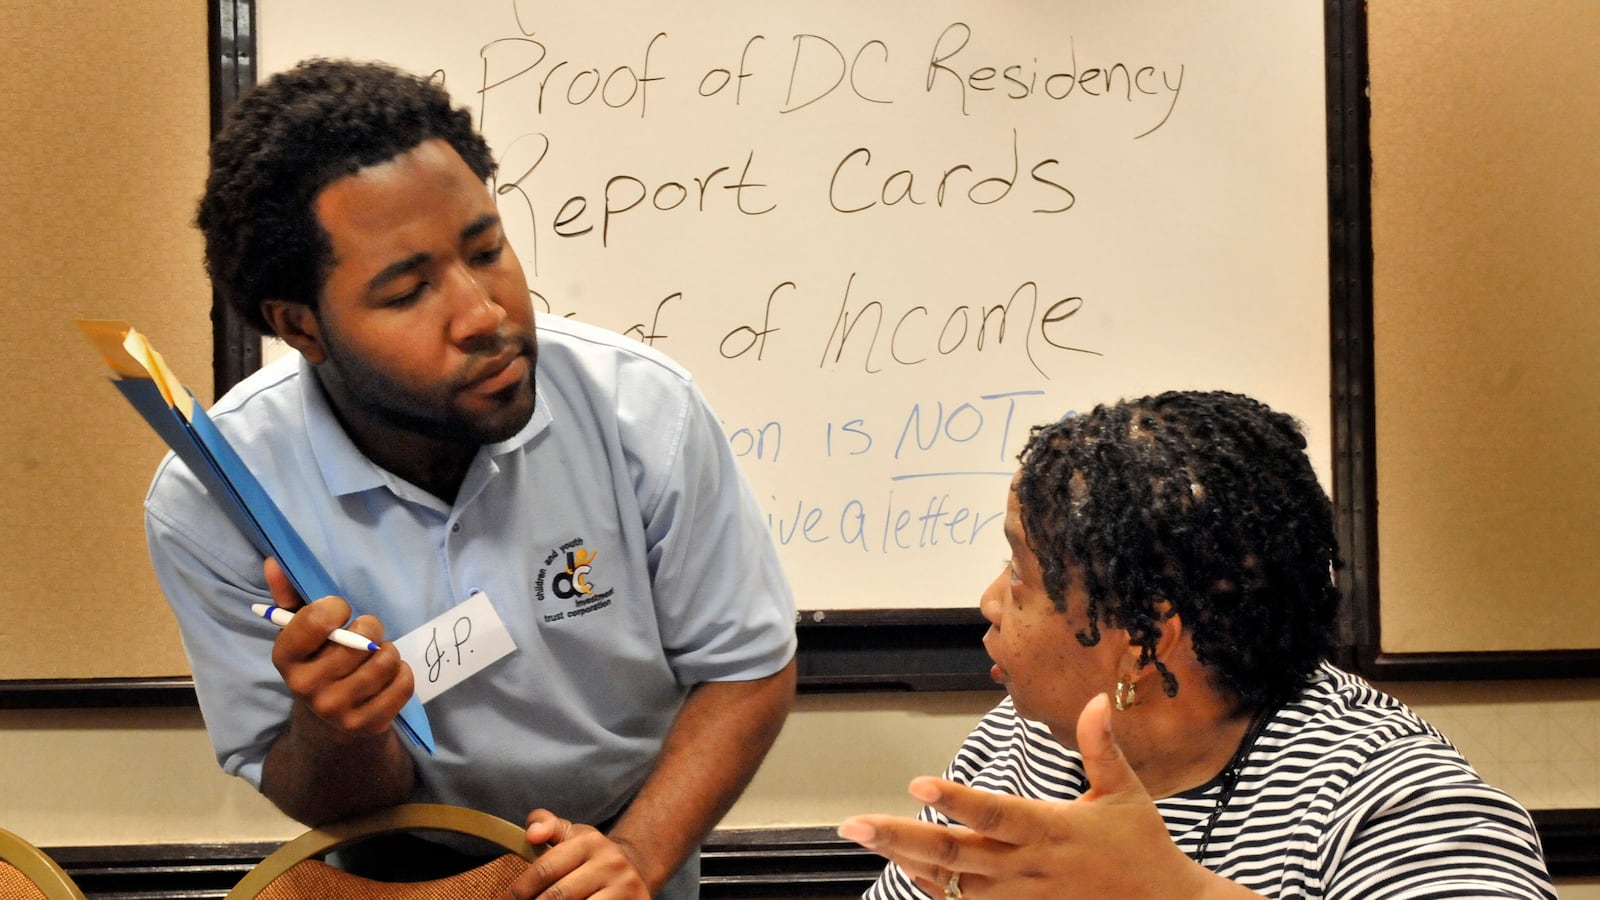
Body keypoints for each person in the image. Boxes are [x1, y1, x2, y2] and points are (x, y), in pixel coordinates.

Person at [145, 58, 798, 900]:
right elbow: (325, 794)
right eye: (409, 291)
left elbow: (747, 665)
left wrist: (635, 856)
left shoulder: (642, 413)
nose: (484, 314)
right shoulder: (216, 497)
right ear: (301, 326)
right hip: (382, 875)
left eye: (486, 251)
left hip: (619, 847)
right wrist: (339, 729)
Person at [839, 390, 1554, 899]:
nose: (990, 602)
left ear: (1145, 642)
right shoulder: (1021, 748)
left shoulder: (1390, 798)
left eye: (1022, 573)